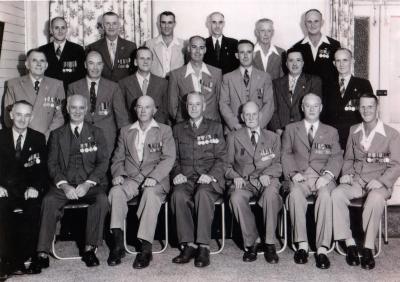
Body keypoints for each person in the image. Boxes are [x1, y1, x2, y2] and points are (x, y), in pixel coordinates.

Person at [28, 95, 109, 274]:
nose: (77, 111)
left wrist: (88, 184)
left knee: (102, 200)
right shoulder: (57, 135)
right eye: (73, 108)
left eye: (81, 108)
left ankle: (89, 249)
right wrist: (64, 186)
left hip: (89, 185)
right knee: (48, 200)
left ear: (86, 109)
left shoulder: (97, 132)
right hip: (64, 185)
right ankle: (42, 253)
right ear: (67, 109)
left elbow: (103, 162)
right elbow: (52, 164)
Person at [332, 93, 400, 270]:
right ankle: (350, 244)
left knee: (375, 199)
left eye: (370, 106)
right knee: (336, 194)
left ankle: (368, 247)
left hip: (379, 183)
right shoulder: (354, 130)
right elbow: (347, 159)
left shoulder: (391, 134)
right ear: (358, 108)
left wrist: (382, 180)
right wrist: (346, 174)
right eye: (362, 106)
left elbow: (396, 164)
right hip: (356, 180)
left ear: (377, 108)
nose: (366, 110)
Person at [107, 96, 175, 269]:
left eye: (147, 107)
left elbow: (169, 158)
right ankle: (117, 244)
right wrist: (118, 174)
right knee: (115, 191)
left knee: (150, 194)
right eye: (139, 107)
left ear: (155, 110)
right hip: (131, 178)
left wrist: (154, 177)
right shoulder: (125, 131)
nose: (143, 110)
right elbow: (117, 158)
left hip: (155, 179)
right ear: (135, 110)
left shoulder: (164, 130)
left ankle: (146, 248)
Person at [281, 93, 343, 269]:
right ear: (302, 107)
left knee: (325, 196)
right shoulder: (291, 129)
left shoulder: (331, 131)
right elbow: (285, 154)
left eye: (315, 105)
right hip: (300, 176)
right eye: (308, 105)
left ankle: (322, 248)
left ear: (321, 107)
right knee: (294, 194)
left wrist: (328, 176)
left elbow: (337, 156)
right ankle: (302, 245)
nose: (312, 109)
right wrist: (293, 173)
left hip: (323, 176)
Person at [171, 92, 227, 268]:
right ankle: (188, 244)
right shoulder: (178, 129)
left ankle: (203, 246)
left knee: (203, 193)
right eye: (190, 104)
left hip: (208, 177)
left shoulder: (215, 127)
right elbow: (173, 158)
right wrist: (176, 173)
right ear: (185, 107)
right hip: (186, 177)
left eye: (197, 104)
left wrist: (210, 175)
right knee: (178, 195)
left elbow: (222, 157)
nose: (193, 108)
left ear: (204, 106)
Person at [227, 101, 282, 264]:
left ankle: (270, 243)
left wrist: (267, 173)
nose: (251, 117)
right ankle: (252, 242)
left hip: (267, 180)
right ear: (242, 117)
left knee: (271, 194)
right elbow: (225, 164)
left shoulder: (273, 137)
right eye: (247, 115)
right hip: (244, 182)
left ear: (260, 115)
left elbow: (278, 164)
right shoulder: (233, 137)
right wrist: (234, 175)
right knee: (236, 198)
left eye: (254, 114)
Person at [0, 101, 46, 280]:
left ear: (32, 117)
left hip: (28, 189)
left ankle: (18, 260)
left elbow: (42, 170)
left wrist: (35, 187)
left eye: (27, 115)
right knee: (2, 211)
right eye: (18, 114)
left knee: (34, 210)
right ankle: (7, 259)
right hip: (5, 190)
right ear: (11, 115)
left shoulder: (38, 138)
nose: (22, 119)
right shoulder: (1, 136)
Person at [67, 50, 130, 156]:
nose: (95, 68)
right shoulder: (73, 87)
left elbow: (122, 119)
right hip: (81, 141)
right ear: (85, 65)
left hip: (108, 142)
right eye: (91, 63)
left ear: (103, 66)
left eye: (99, 64)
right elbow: (69, 119)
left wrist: (125, 144)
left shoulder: (113, 87)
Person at [4, 49, 65, 140]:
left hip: (48, 138)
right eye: (34, 60)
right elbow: (8, 117)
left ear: (46, 65)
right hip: (23, 139)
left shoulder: (56, 85)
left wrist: (45, 136)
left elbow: (60, 117)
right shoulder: (13, 85)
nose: (39, 64)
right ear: (27, 64)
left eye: (42, 61)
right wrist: (21, 135)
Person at [322, 48, 373, 149]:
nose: (341, 64)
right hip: (331, 138)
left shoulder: (363, 84)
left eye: (345, 60)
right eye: (338, 60)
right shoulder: (326, 84)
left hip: (355, 138)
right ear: (334, 63)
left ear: (352, 61)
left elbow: (370, 113)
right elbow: (322, 113)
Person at [220, 40, 274, 132]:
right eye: (242, 52)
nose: (245, 56)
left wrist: (257, 125)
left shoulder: (265, 77)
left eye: (249, 52)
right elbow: (223, 104)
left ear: (253, 54)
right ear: (237, 55)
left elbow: (269, 104)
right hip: (234, 129)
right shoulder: (227, 78)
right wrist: (234, 124)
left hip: (259, 128)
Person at [168, 36, 222, 123]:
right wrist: (182, 123)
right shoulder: (176, 75)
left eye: (201, 48)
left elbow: (220, 102)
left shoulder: (216, 73)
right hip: (185, 126)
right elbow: (172, 107)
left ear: (205, 50)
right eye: (194, 47)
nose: (197, 51)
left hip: (211, 125)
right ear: (189, 48)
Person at [269, 48, 322, 135]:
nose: (294, 64)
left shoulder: (313, 81)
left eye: (298, 60)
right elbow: (273, 109)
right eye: (291, 60)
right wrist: (278, 130)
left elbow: (315, 109)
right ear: (286, 64)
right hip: (282, 132)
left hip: (304, 132)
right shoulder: (276, 83)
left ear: (303, 63)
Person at [292, 9, 340, 94]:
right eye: (309, 21)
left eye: (316, 21)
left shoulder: (334, 45)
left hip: (329, 95)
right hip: (305, 96)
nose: (313, 25)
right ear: (305, 24)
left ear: (322, 22)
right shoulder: (297, 47)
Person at [119, 47, 169, 124]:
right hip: (132, 128)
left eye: (148, 59)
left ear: (152, 62)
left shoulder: (163, 83)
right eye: (142, 58)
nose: (145, 61)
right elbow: (121, 112)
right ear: (135, 62)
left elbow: (165, 111)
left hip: (156, 129)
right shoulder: (123, 83)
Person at [86, 12, 136, 82]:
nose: (111, 27)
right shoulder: (93, 47)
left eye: (114, 23)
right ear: (103, 26)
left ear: (119, 25)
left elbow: (134, 73)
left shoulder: (130, 46)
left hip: (124, 90)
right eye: (107, 23)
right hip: (102, 90)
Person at [38, 17, 85, 91]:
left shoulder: (78, 50)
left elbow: (82, 76)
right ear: (51, 30)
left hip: (71, 95)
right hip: (49, 95)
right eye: (56, 28)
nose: (60, 31)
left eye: (63, 28)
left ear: (66, 29)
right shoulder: (42, 51)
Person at [145, 11, 185, 79]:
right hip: (156, 86)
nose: (166, 26)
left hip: (177, 85)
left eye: (170, 22)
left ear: (174, 24)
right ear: (159, 24)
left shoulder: (183, 44)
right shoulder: (149, 44)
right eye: (163, 22)